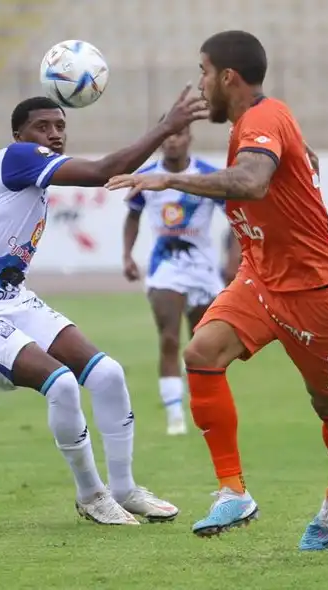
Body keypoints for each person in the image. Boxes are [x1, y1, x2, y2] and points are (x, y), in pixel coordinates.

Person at [106, 30, 328, 552]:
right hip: (261, 278)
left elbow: (250, 182)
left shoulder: (263, 117)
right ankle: (233, 490)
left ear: (228, 77)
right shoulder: (261, 120)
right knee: (200, 353)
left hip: (320, 292)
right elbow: (277, 161)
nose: (200, 84)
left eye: (203, 71)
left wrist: (168, 181)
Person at [0, 89, 207, 524]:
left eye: (60, 126)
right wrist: (166, 127)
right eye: (43, 126)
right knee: (60, 385)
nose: (55, 134)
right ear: (18, 133)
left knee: (108, 374)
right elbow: (103, 171)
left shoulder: (32, 169)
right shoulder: (17, 157)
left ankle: (124, 489)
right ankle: (91, 495)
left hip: (11, 300)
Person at [121, 122, 223, 436]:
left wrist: (241, 255)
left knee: (202, 345)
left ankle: (203, 408)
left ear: (190, 138)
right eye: (168, 135)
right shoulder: (147, 177)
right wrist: (127, 255)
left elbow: (236, 213)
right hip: (165, 268)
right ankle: (175, 417)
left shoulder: (208, 175)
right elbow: (133, 216)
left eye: (179, 134)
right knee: (168, 339)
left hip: (204, 270)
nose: (173, 141)